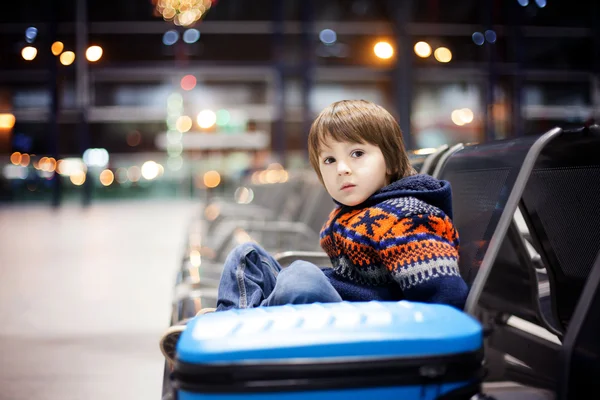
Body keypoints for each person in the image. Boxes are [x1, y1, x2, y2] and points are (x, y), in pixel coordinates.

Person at [159, 99, 469, 365]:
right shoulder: (356, 213)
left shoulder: (410, 216)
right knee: (248, 256)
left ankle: (229, 340)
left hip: (368, 333)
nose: (342, 169)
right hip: (340, 315)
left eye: (357, 154)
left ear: (388, 159)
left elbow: (444, 302)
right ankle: (228, 327)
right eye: (329, 160)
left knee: (302, 278)